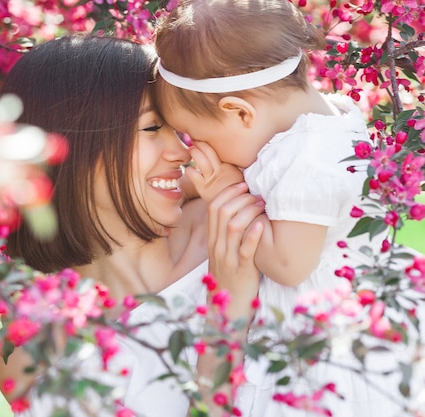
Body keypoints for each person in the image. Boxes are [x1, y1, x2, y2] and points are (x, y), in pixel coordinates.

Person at [153, 0, 409, 415]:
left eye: (193, 135)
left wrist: (223, 189)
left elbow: (289, 264)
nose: (194, 150)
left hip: (313, 337)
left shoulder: (306, 163)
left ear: (239, 112)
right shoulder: (326, 118)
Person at [0, 35, 266, 417]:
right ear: (71, 148)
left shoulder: (240, 216)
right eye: (152, 129)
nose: (181, 152)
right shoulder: (37, 353)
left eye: (175, 128)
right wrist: (228, 310)